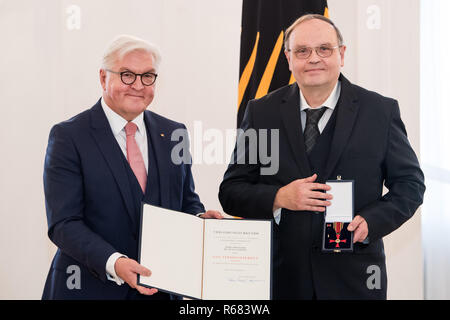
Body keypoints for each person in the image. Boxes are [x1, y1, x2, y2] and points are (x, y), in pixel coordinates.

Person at [219, 14, 425, 299]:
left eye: (324, 49)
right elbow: (231, 191)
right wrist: (279, 198)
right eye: (302, 51)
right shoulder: (261, 113)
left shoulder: (380, 112)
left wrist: (371, 222)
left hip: (356, 281)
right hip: (282, 281)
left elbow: (410, 185)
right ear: (288, 59)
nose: (313, 58)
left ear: (341, 54)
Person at [42, 35, 222, 300]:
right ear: (103, 78)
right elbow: (64, 223)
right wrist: (115, 262)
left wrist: (199, 222)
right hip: (88, 290)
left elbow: (186, 202)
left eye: (148, 76)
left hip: (161, 289)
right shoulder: (69, 136)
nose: (138, 85)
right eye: (127, 75)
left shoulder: (174, 133)